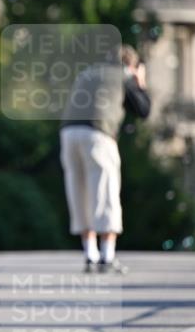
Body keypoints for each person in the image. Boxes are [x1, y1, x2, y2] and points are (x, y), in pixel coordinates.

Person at [60, 45, 151, 273]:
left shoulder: (87, 72)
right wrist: (140, 82)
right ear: (130, 64)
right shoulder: (125, 74)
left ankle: (89, 254)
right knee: (105, 191)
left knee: (78, 191)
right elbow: (143, 110)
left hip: (68, 133)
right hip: (98, 134)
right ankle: (107, 256)